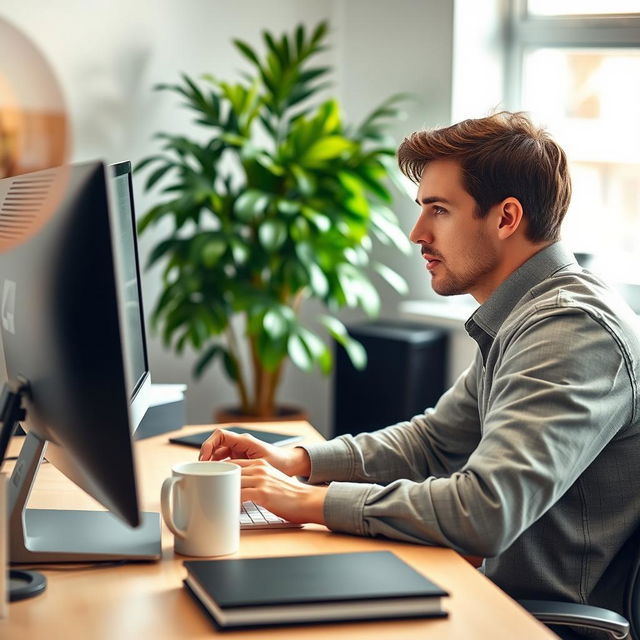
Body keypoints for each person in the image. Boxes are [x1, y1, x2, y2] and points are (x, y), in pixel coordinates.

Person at [200, 112, 640, 630]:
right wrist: (296, 461)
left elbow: (485, 510)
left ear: (506, 218)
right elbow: (432, 443)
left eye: (439, 210)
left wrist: (308, 502)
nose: (417, 233)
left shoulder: (569, 331)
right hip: (489, 596)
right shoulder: (526, 314)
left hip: (532, 623)